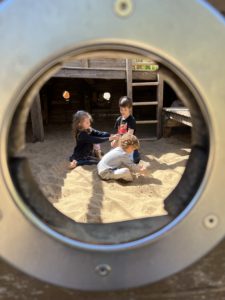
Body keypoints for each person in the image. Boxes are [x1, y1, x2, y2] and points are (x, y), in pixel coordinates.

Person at [112, 96, 140, 163]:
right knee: (113, 150)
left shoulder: (131, 120)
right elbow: (118, 132)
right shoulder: (119, 119)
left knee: (134, 160)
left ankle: (135, 155)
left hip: (129, 143)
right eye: (121, 109)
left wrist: (121, 145)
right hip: (122, 143)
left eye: (125, 110)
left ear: (130, 109)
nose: (123, 112)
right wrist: (115, 141)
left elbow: (129, 136)